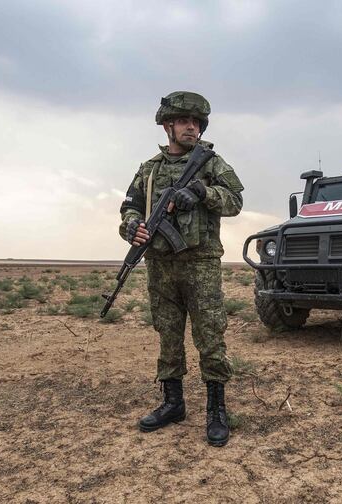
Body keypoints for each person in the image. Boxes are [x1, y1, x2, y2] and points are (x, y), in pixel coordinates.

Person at [119, 91, 243, 447]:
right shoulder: (149, 169)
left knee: (210, 337)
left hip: (200, 263)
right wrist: (132, 227)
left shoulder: (211, 164)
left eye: (197, 122)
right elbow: (128, 207)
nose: (192, 127)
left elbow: (235, 201)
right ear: (167, 125)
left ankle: (216, 409)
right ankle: (173, 403)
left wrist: (203, 193)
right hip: (160, 264)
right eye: (184, 121)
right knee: (168, 334)